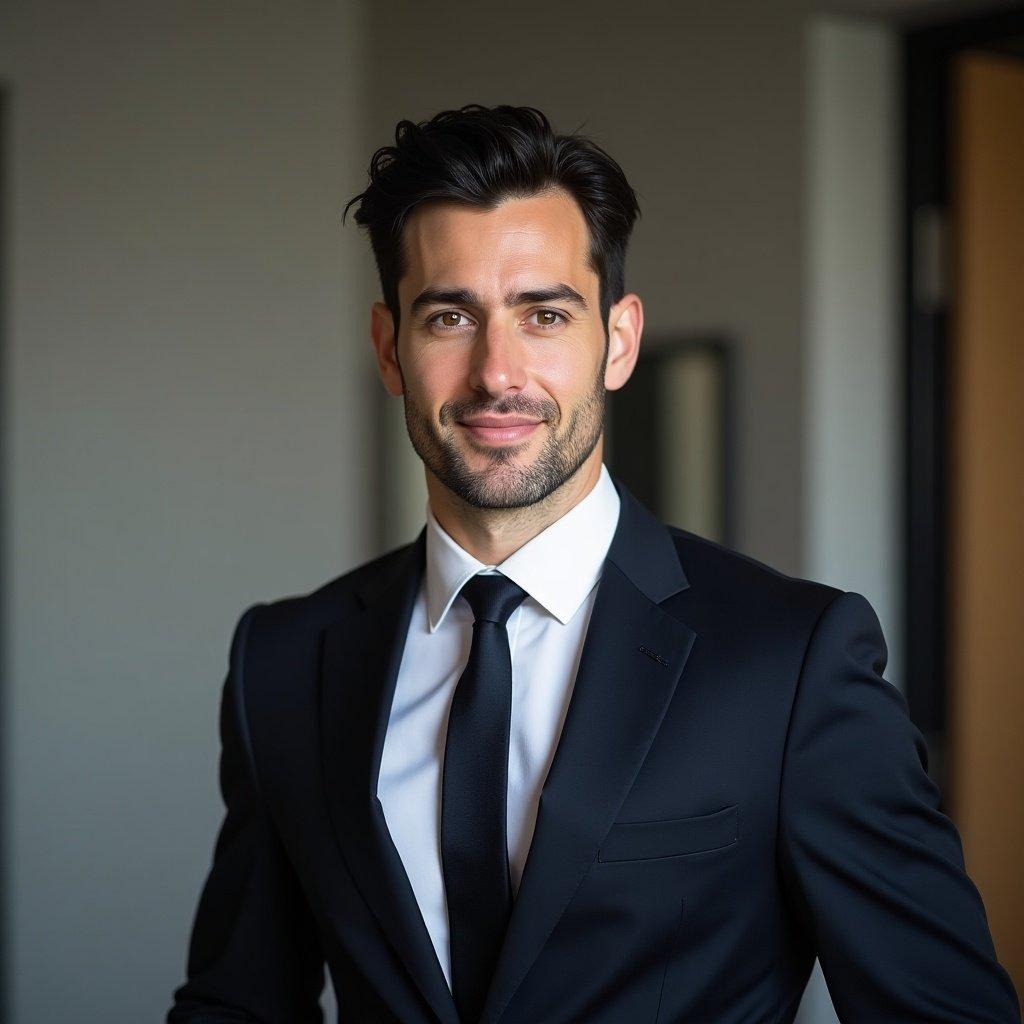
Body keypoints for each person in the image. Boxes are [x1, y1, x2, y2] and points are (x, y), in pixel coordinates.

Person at [167, 104, 1020, 1024]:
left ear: (617, 340)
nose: (498, 373)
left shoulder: (792, 661)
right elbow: (237, 1004)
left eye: (544, 315)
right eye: (451, 316)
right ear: (390, 348)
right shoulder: (286, 660)